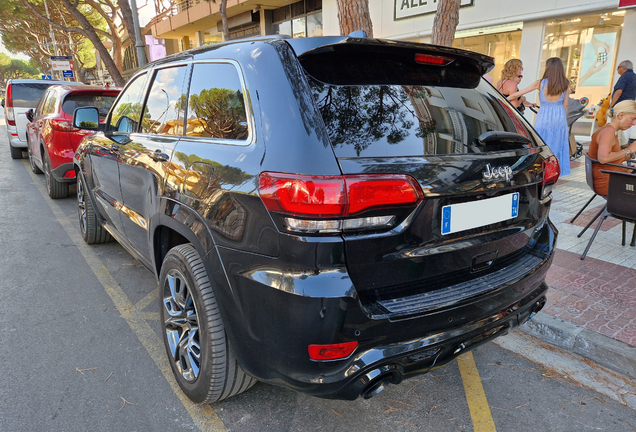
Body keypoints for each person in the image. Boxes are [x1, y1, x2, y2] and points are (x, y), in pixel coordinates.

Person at [507, 57, 570, 176]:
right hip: (559, 117)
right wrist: (563, 120)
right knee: (557, 145)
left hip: (544, 116)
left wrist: (504, 98)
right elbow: (565, 105)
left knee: (541, 144)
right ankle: (555, 172)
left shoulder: (540, 83)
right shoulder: (565, 84)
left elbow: (519, 93)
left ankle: (541, 171)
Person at [588, 100, 636, 196]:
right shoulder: (608, 131)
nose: (634, 123)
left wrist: (632, 154)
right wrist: (629, 150)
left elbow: (614, 157)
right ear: (621, 115)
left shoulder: (611, 130)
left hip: (612, 177)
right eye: (633, 119)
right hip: (608, 182)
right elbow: (604, 158)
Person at [610, 60, 636, 146]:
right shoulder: (634, 76)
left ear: (624, 67)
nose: (617, 70)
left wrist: (611, 105)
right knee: (624, 125)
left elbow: (619, 91)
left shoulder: (624, 77)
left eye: (618, 67)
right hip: (630, 106)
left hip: (621, 105)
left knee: (617, 125)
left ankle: (619, 146)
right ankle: (624, 144)